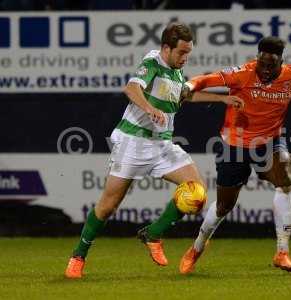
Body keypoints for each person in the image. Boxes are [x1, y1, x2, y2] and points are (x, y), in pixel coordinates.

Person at [64, 22, 243, 279]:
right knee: (107, 206)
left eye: (188, 53)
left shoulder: (176, 72)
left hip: (162, 144)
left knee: (196, 193)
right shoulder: (153, 62)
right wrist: (149, 109)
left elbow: (185, 96)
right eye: (181, 52)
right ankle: (78, 256)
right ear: (166, 48)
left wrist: (221, 98)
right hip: (134, 142)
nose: (185, 58)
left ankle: (154, 233)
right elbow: (131, 88)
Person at [179, 36, 291, 274]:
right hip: (234, 145)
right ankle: (196, 248)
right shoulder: (242, 73)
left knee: (285, 176)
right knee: (223, 206)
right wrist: (189, 86)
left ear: (281, 61)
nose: (265, 70)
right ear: (257, 58)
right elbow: (205, 79)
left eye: (271, 65)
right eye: (262, 63)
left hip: (269, 142)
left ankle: (282, 252)